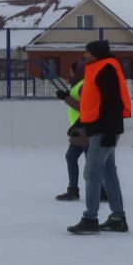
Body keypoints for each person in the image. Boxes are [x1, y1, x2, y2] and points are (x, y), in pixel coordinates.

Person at [68, 39, 131, 235]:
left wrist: (111, 133)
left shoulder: (106, 70)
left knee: (91, 172)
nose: (84, 56)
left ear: (96, 53)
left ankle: (90, 218)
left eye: (87, 52)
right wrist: (79, 124)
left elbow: (113, 103)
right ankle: (118, 217)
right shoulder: (97, 69)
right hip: (100, 129)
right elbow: (93, 105)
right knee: (107, 172)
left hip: (105, 131)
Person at [54, 59, 87, 201]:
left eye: (71, 72)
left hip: (86, 130)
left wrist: (66, 98)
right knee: (71, 157)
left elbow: (84, 108)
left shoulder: (83, 86)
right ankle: (73, 190)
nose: (69, 75)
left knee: (91, 162)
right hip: (77, 130)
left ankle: (102, 191)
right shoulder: (77, 86)